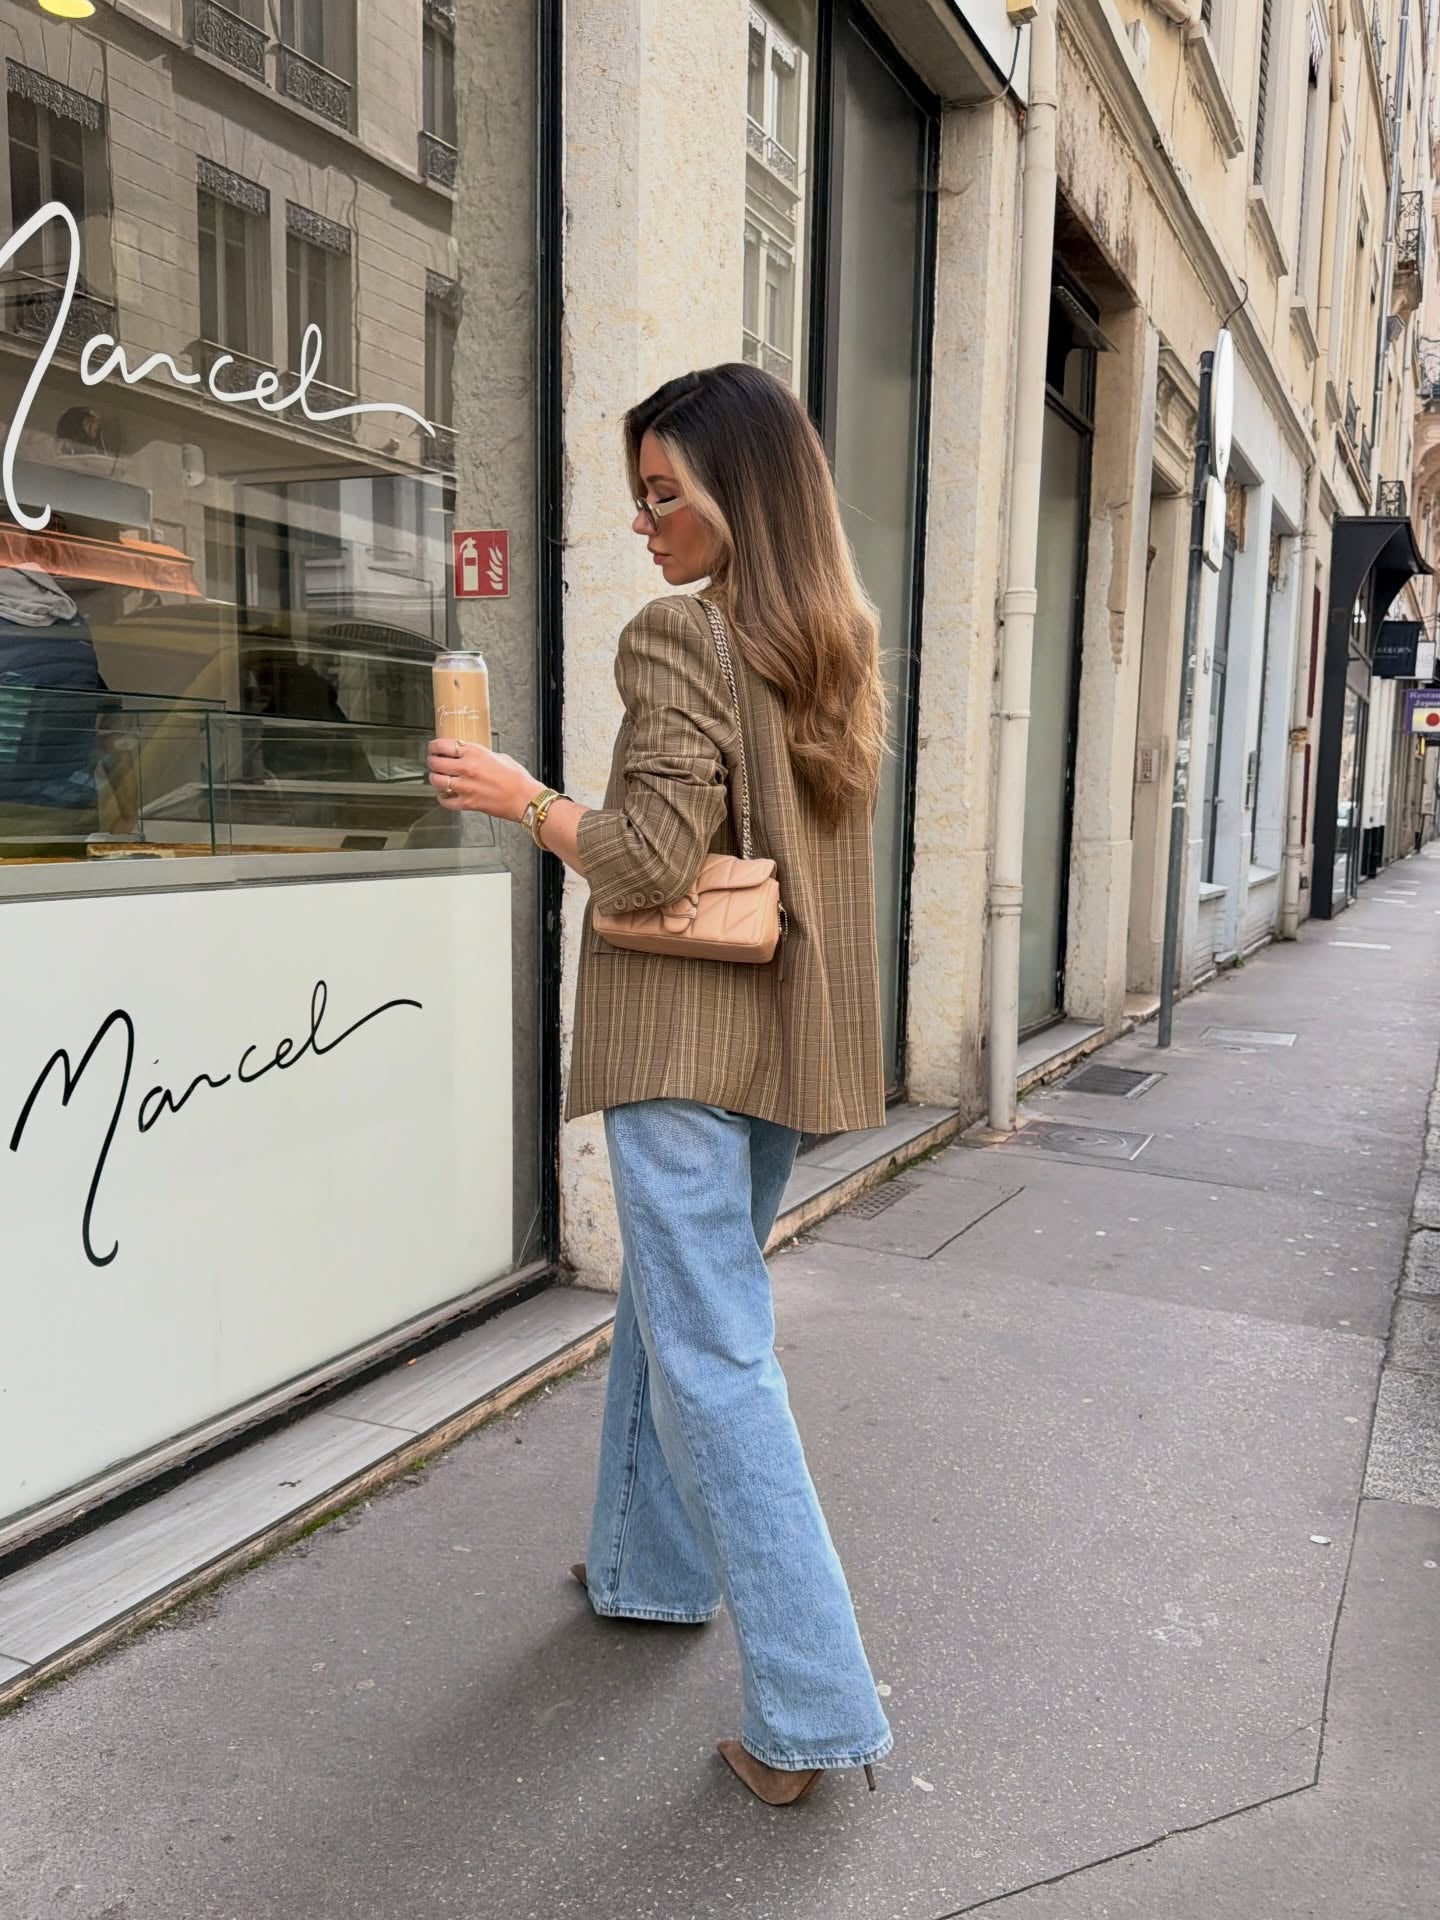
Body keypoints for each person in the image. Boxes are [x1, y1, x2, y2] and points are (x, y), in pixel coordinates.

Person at [427, 363, 892, 1806]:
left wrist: (523, 799)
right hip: (780, 1041)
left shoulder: (681, 636)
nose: (644, 523)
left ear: (736, 494)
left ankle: (812, 1710)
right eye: (639, 495)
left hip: (685, 1042)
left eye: (663, 494)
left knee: (715, 1355)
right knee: (675, 1310)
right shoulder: (830, 640)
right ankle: (648, 1565)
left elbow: (644, 861)